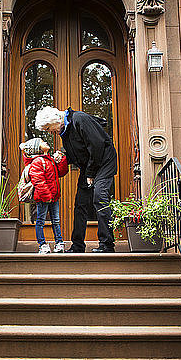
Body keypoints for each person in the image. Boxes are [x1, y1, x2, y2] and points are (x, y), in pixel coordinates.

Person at [35, 107, 117, 253]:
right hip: (89, 166)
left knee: (100, 197)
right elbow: (77, 153)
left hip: (104, 161)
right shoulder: (64, 131)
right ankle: (77, 246)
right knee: (80, 204)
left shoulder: (80, 119)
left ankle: (107, 245)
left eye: (48, 128)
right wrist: (63, 157)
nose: (50, 132)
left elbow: (97, 146)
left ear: (55, 120)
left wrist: (90, 173)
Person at [20, 137, 69, 254]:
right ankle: (42, 245)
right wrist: (47, 196)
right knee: (40, 221)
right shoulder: (38, 162)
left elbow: (61, 172)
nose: (46, 142)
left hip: (53, 196)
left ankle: (59, 243)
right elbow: (38, 181)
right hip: (43, 197)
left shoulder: (49, 160)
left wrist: (61, 160)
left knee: (56, 220)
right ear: (37, 148)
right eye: (42, 142)